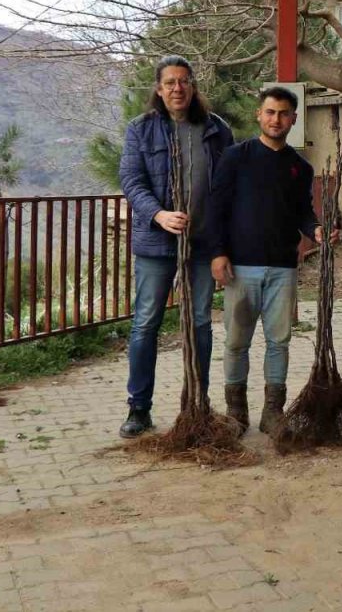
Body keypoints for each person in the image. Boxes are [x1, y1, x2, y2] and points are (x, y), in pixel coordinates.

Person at [118, 55, 233, 439]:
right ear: (158, 88)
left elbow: (228, 187)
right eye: (169, 82)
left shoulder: (216, 129)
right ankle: (139, 408)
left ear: (194, 85)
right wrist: (159, 215)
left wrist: (223, 243)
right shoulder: (141, 129)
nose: (177, 88)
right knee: (146, 322)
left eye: (184, 81)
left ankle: (196, 401)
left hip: (203, 243)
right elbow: (132, 181)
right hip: (156, 243)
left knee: (200, 322)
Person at [209, 86, 328, 435]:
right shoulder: (235, 157)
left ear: (294, 119)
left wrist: (316, 229)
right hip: (240, 267)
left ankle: (272, 413)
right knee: (235, 342)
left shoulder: (299, 167)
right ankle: (236, 412)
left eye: (284, 114)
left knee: (279, 341)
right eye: (270, 112)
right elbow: (217, 209)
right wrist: (218, 253)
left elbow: (303, 212)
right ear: (258, 115)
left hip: (282, 268)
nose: (276, 119)